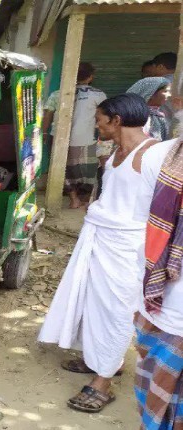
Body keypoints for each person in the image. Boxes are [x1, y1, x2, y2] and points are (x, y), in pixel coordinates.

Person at [38, 94, 158, 413]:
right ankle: (102, 359)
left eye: (99, 118)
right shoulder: (114, 152)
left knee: (117, 309)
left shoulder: (156, 154)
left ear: (116, 120)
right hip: (101, 239)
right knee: (94, 301)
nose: (96, 124)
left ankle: (103, 382)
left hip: (130, 247)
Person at [131, 114, 183, 428]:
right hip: (162, 302)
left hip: (160, 298)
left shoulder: (160, 155)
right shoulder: (158, 156)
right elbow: (144, 228)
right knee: (155, 395)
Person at [42, 62, 106, 208]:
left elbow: (48, 115)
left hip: (57, 138)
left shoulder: (57, 94)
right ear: (90, 77)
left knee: (63, 170)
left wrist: (44, 133)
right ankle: (83, 200)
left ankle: (73, 199)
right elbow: (104, 116)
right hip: (86, 139)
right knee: (87, 172)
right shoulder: (98, 95)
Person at [127, 77, 171, 141]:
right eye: (166, 91)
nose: (169, 95)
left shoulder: (158, 116)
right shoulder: (133, 117)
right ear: (151, 93)